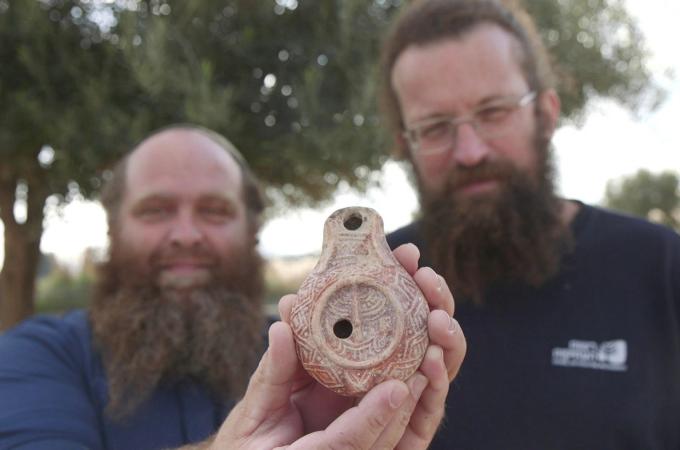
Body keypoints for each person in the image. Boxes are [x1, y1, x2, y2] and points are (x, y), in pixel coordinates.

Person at [0, 124, 466, 449]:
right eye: (156, 210)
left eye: (214, 210)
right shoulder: (38, 357)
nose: (186, 234)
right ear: (113, 228)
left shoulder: (304, 358)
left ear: (252, 230)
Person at [381, 0, 680, 448]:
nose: (470, 152)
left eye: (493, 111)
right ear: (407, 145)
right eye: (436, 127)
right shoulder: (378, 283)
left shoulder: (660, 266)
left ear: (546, 113)